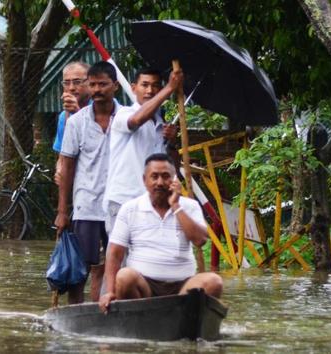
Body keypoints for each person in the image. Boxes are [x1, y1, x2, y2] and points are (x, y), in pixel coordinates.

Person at [99, 153, 223, 313]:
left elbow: (200, 240)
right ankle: (141, 320)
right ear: (145, 180)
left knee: (214, 282)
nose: (160, 182)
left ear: (175, 180)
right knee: (124, 277)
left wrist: (176, 206)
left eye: (166, 177)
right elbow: (115, 254)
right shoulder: (130, 208)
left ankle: (184, 320)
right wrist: (110, 292)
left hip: (183, 287)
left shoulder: (189, 206)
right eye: (154, 177)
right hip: (144, 288)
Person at [54, 61, 121, 304]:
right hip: (86, 205)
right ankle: (75, 314)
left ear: (115, 86)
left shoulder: (126, 119)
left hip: (117, 206)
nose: (97, 90)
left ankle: (102, 312)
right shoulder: (75, 121)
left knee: (110, 268)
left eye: (102, 84)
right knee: (79, 268)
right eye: (93, 85)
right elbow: (66, 167)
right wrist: (63, 212)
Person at [102, 68, 180, 234]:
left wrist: (172, 141)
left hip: (152, 203)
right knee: (120, 258)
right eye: (145, 85)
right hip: (123, 201)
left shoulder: (162, 125)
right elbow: (137, 120)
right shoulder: (124, 114)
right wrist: (170, 88)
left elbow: (173, 168)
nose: (150, 90)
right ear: (133, 87)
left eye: (156, 86)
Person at [53, 61, 92, 185]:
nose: (71, 88)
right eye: (66, 83)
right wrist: (59, 169)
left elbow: (98, 142)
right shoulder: (63, 117)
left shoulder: (102, 107)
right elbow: (62, 154)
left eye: (77, 82)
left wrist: (78, 113)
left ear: (90, 82)